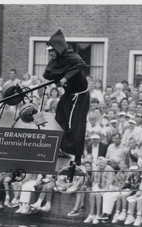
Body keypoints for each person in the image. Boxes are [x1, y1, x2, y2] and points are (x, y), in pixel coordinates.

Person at [43, 29, 90, 166]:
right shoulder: (58, 59)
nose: (50, 54)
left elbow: (82, 64)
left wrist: (65, 77)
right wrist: (52, 60)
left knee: (75, 125)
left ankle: (77, 156)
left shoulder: (71, 55)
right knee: (60, 119)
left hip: (79, 96)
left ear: (59, 48)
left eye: (52, 51)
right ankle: (61, 148)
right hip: (68, 94)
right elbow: (47, 75)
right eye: (49, 51)